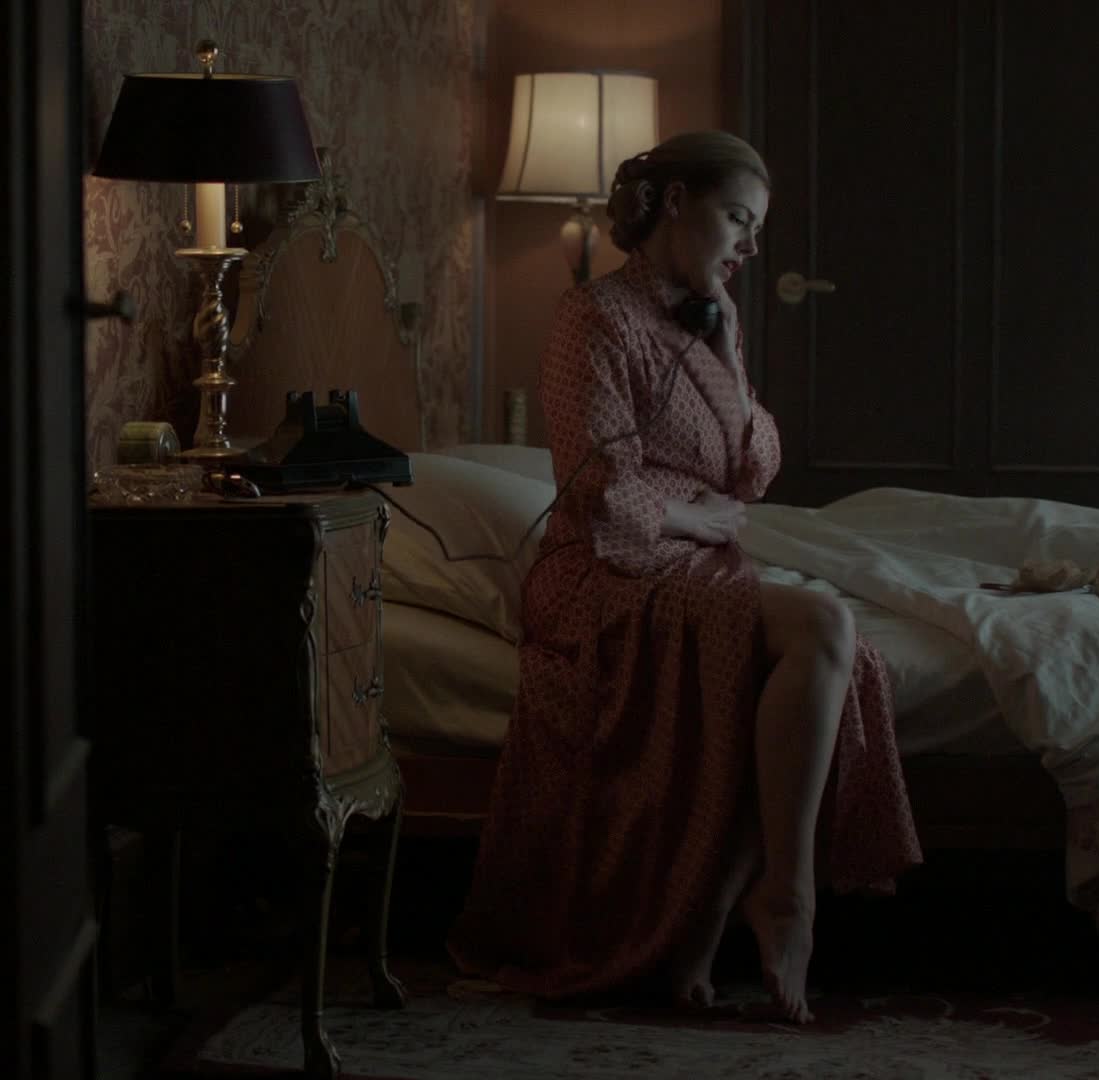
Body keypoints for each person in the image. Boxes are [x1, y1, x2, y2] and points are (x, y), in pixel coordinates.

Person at [447, 131, 921, 1024]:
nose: (750, 246)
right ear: (675, 204)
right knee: (824, 628)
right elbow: (595, 481)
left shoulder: (708, 319)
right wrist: (689, 517)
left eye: (756, 229)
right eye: (738, 219)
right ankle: (788, 897)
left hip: (698, 566)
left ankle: (726, 910)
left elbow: (754, 470)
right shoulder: (592, 316)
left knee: (827, 656)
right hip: (602, 572)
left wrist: (730, 354)